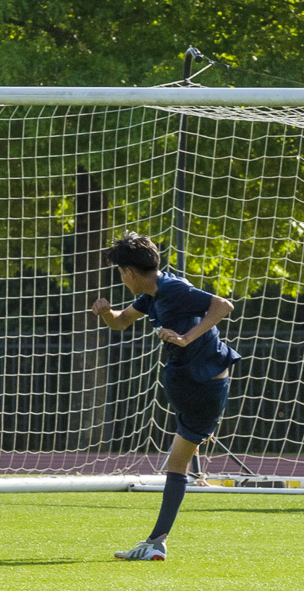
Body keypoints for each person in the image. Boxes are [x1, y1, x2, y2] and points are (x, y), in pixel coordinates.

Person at [91, 233, 240, 561]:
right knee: (177, 462)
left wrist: (186, 337)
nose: (120, 277)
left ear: (129, 272)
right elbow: (120, 322)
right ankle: (155, 542)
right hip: (199, 385)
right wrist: (105, 312)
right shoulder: (153, 293)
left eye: (119, 271)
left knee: (177, 462)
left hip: (202, 385)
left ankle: (157, 542)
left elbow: (222, 305)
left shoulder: (172, 289)